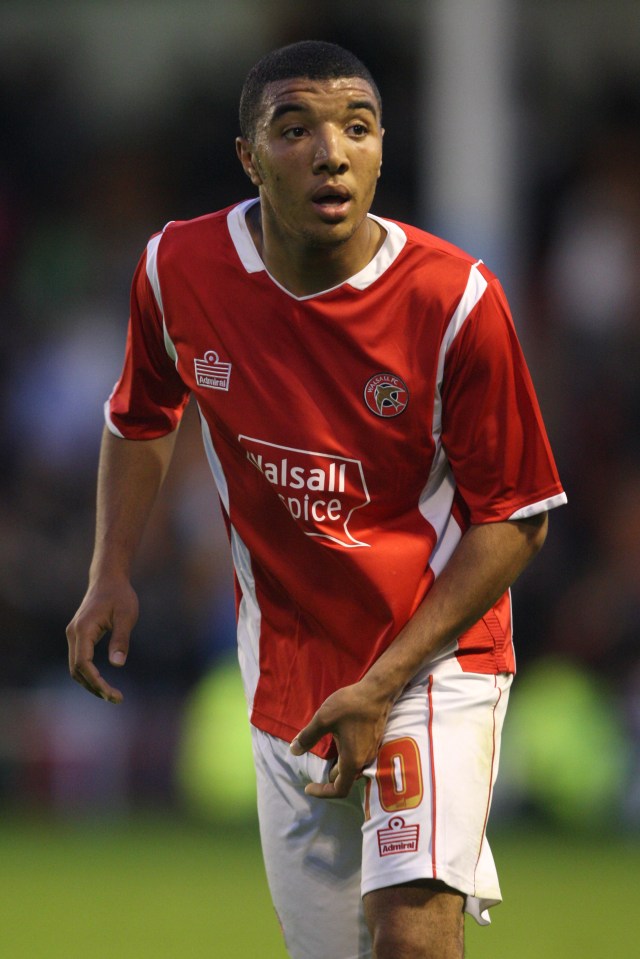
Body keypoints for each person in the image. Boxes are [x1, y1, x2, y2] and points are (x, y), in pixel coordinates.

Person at [66, 40, 566, 959]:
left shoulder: (455, 301)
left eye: (357, 128)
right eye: (294, 130)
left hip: (430, 659)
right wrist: (110, 571)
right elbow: (141, 415)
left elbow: (518, 515)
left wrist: (383, 682)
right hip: (288, 668)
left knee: (412, 936)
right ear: (249, 158)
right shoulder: (178, 269)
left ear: (381, 150)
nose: (330, 152)